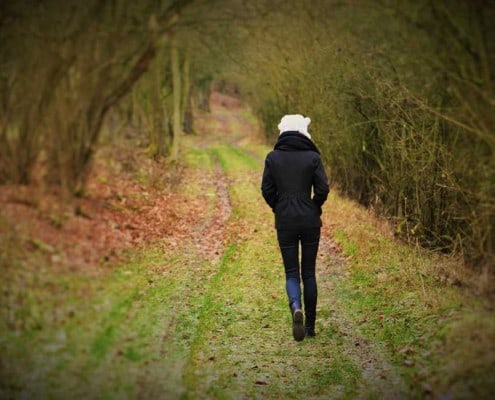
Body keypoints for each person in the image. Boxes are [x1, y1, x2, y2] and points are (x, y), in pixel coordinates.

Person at [261, 114, 329, 341]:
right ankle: (309, 327)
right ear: (302, 131)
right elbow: (323, 189)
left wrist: (278, 207)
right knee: (308, 273)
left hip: (285, 221)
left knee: (291, 273)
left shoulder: (273, 157)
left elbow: (267, 190)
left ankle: (295, 307)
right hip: (310, 221)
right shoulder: (313, 157)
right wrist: (313, 206)